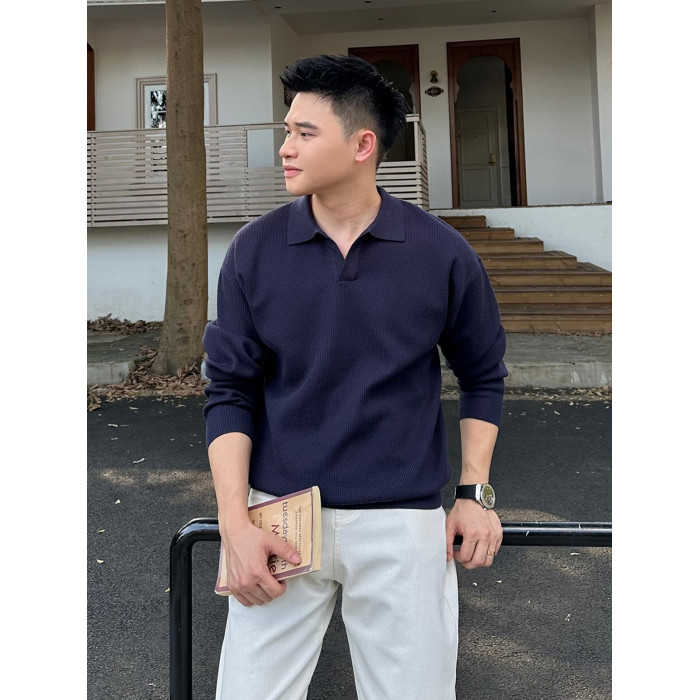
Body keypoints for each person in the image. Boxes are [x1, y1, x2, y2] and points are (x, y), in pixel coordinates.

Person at [202, 54, 508, 700]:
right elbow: (229, 390)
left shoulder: (441, 253)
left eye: (304, 133)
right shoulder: (253, 251)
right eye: (287, 130)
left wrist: (474, 494)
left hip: (403, 523)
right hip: (278, 519)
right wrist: (235, 522)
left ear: (363, 145)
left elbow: (482, 375)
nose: (285, 147)